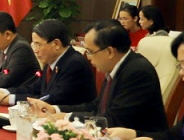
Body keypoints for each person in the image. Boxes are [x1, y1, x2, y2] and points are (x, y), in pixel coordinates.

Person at [29, 20, 168, 133]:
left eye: (90, 52)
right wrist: (55, 110)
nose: (88, 57)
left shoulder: (137, 72)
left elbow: (113, 120)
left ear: (109, 52)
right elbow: (96, 106)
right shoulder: (116, 68)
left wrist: (66, 117)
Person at [0, 19, 96, 107]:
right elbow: (32, 88)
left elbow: (52, 98)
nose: (35, 50)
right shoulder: (51, 61)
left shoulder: (74, 64)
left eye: (38, 44)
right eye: (34, 44)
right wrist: (4, 92)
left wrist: (12, 99)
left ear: (56, 44)